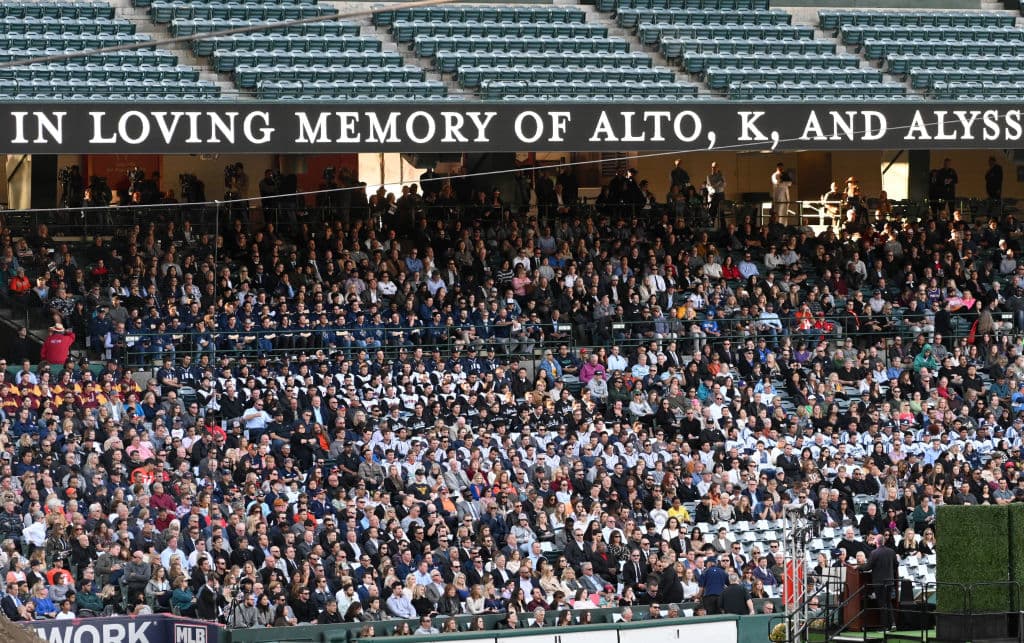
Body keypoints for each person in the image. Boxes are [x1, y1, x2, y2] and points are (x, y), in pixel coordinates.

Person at [856, 534, 899, 631]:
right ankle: (892, 624)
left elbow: (868, 567)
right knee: (889, 603)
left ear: (877, 542)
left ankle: (884, 627)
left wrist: (858, 567)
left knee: (882, 604)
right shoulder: (891, 552)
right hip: (890, 581)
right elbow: (896, 565)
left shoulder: (874, 553)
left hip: (879, 583)